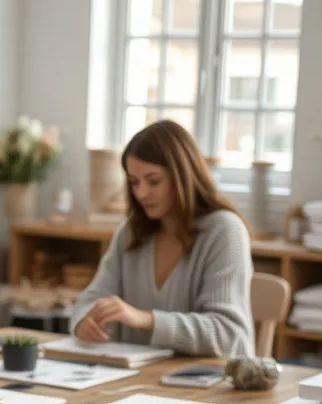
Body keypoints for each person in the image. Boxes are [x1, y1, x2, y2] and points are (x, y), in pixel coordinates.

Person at [70, 120, 254, 358]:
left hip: (213, 387)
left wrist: (146, 319)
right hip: (143, 384)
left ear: (182, 175)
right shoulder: (131, 231)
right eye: (134, 182)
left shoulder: (225, 231)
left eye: (153, 181)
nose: (141, 193)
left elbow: (227, 334)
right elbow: (90, 300)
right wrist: (84, 321)